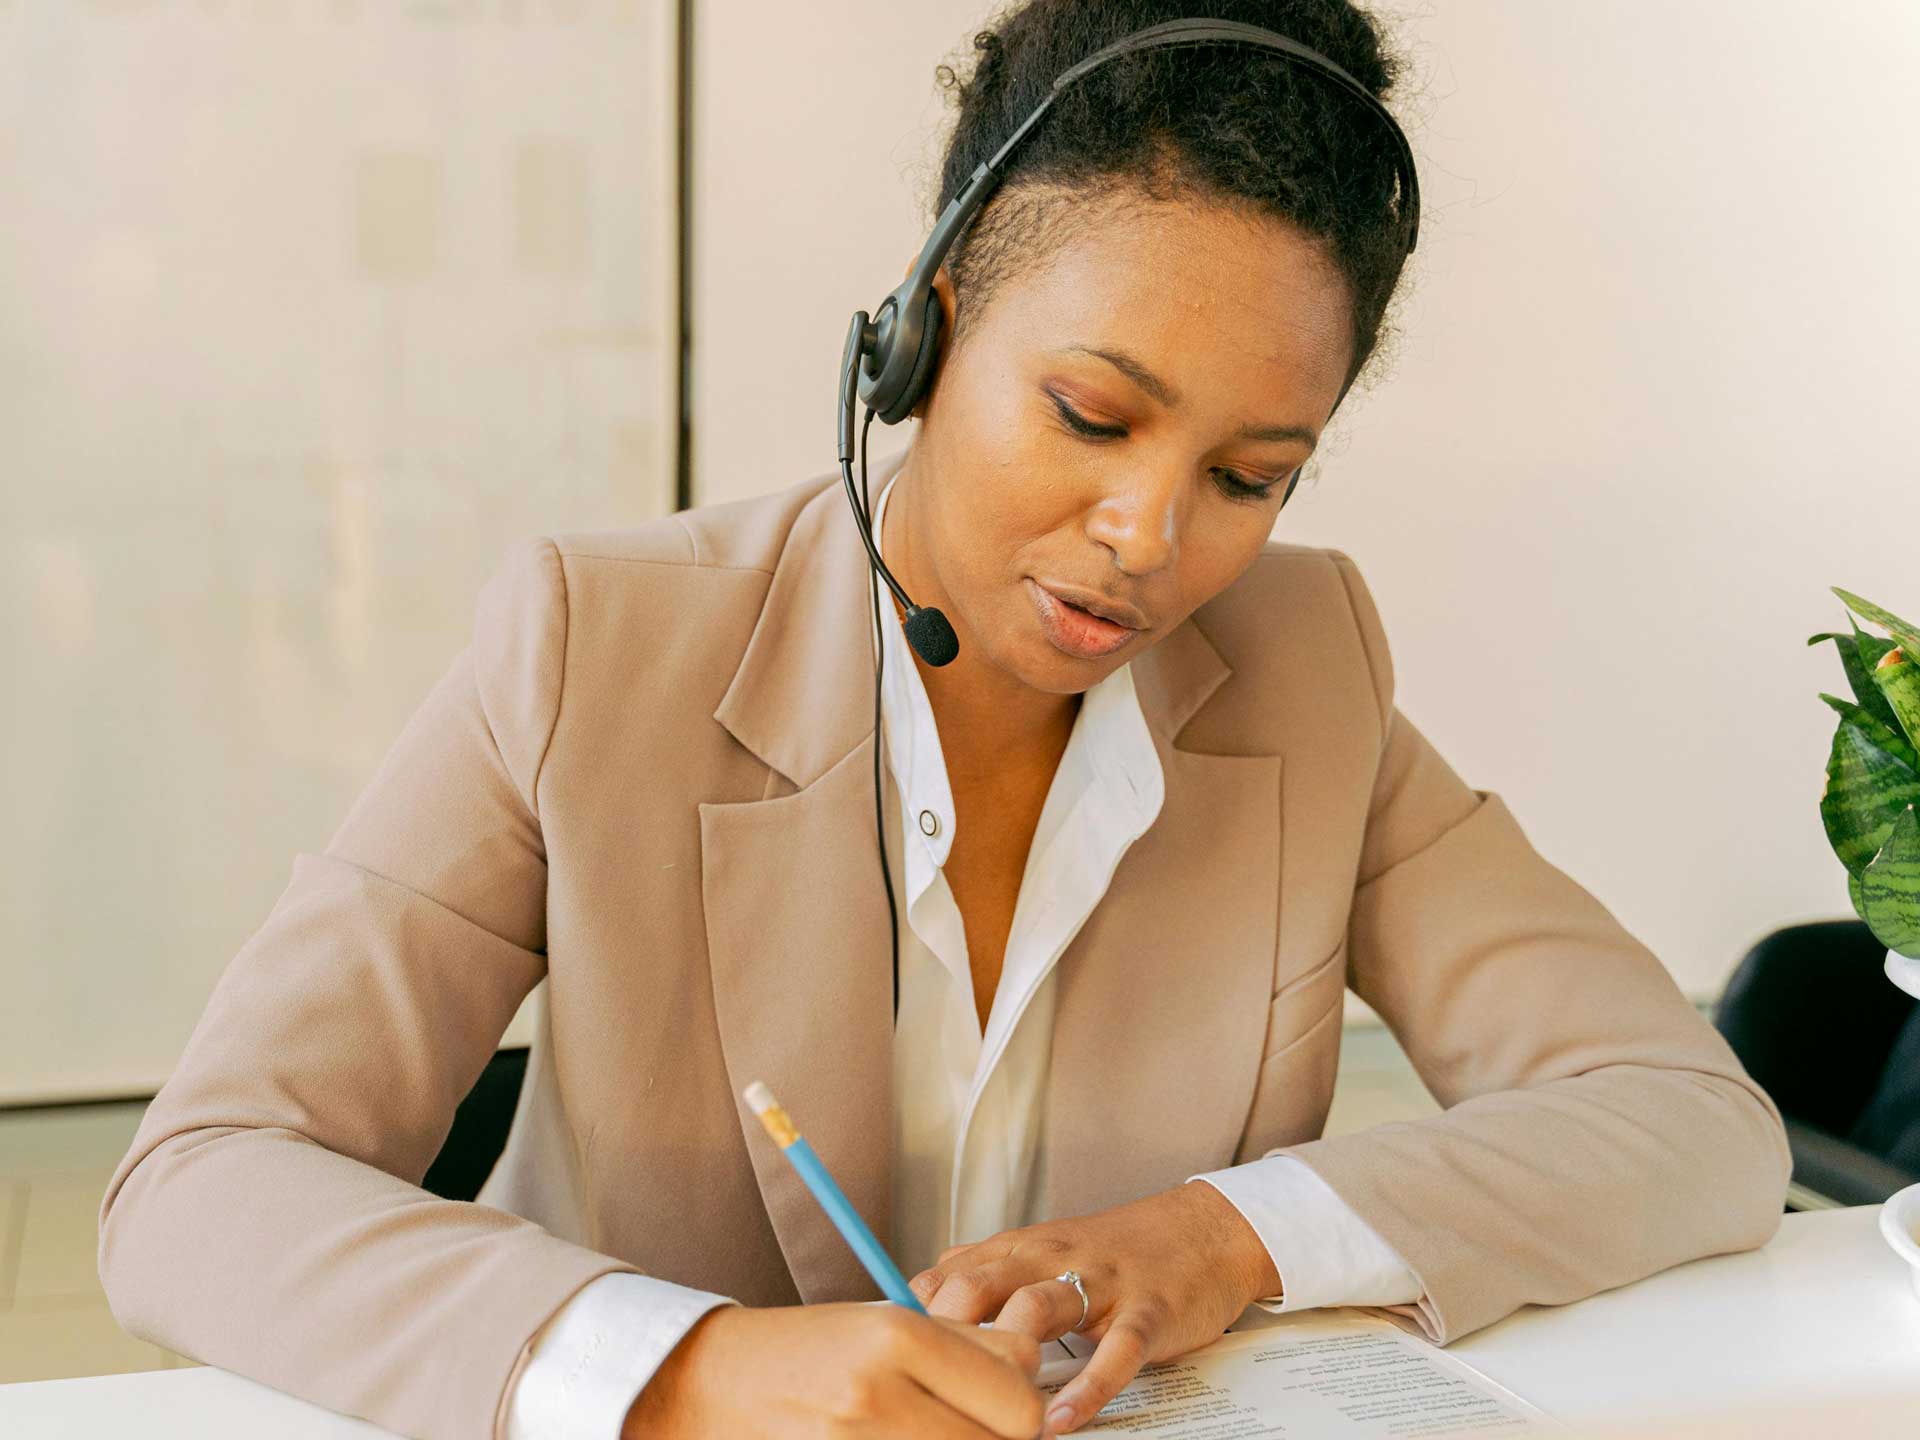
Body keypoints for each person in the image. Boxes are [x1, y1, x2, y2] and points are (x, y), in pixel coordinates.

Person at [96, 3, 1792, 1439]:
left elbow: (1688, 1117)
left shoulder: (1306, 668)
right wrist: (695, 1371)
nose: (1150, 537)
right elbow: (201, 1186)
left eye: (1247, 476)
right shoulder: (593, 645)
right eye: (1090, 413)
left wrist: (1222, 1238)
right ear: (928, 325)